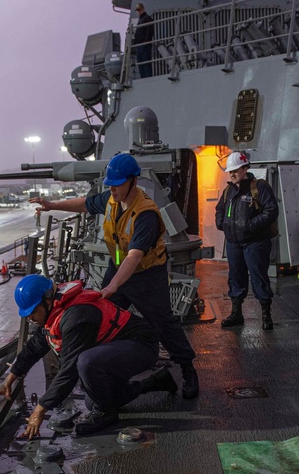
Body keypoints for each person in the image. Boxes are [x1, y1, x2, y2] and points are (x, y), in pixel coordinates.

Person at [30, 153, 200, 399]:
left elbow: (134, 257)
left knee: (164, 323)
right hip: (116, 269)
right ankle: (102, 371)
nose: (112, 188)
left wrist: (112, 286)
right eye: (110, 183)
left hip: (146, 276)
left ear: (133, 181)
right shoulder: (111, 200)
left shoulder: (146, 214)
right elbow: (85, 204)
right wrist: (52, 205)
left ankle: (188, 371)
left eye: (117, 183)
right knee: (99, 316)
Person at [0, 275, 175, 437]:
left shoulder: (76, 316)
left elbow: (69, 370)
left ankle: (106, 414)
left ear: (48, 301)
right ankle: (154, 382)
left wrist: (40, 409)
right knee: (93, 399)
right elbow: (33, 348)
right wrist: (8, 381)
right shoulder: (54, 314)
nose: (30, 318)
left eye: (33, 312)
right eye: (26, 315)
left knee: (86, 363)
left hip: (141, 346)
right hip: (117, 349)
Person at [214, 150, 279, 330]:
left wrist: (250, 226)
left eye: (235, 170)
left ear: (245, 169)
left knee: (259, 277)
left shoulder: (259, 187)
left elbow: (271, 211)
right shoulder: (229, 190)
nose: (232, 174)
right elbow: (220, 209)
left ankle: (266, 315)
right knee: (236, 277)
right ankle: (236, 313)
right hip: (234, 243)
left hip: (255, 242)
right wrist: (222, 224)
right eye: (230, 171)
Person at [133, 3, 154, 79]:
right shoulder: (141, 20)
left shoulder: (147, 18)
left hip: (144, 45)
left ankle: (147, 79)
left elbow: (149, 31)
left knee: (145, 63)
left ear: (143, 9)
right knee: (141, 64)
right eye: (137, 10)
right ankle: (144, 79)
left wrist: (146, 42)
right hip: (139, 45)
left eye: (139, 10)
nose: (138, 11)